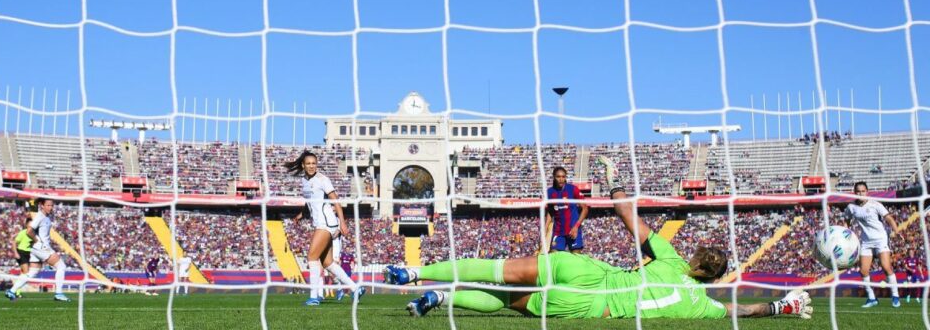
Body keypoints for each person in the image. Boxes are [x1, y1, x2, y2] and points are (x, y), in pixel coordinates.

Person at [383, 157, 812, 320]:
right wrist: (780, 306)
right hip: (594, 307)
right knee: (503, 299)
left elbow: (627, 215)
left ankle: (417, 273)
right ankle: (439, 295)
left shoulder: (670, 257)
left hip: (591, 272)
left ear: (697, 257)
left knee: (499, 270)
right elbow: (743, 310)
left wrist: (613, 183)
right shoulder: (703, 306)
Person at [285, 150, 365, 306]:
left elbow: (336, 201)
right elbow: (310, 203)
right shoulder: (304, 182)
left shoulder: (323, 180)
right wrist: (300, 216)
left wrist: (342, 222)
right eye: (308, 163)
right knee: (327, 263)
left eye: (314, 163)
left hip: (327, 223)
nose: (311, 166)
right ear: (303, 165)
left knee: (312, 258)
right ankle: (355, 289)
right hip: (319, 223)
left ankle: (314, 296)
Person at [843, 182, 900, 308]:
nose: (861, 193)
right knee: (863, 271)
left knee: (886, 267)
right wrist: (845, 234)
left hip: (880, 239)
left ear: (867, 191)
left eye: (863, 191)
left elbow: (889, 218)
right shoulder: (851, 207)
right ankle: (872, 298)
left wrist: (896, 231)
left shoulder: (875, 204)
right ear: (855, 192)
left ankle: (895, 296)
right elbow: (846, 221)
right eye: (858, 191)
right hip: (866, 241)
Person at [6, 198, 70, 302]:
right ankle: (58, 293)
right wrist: (37, 240)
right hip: (41, 247)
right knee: (61, 266)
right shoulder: (40, 216)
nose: (50, 207)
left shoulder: (45, 217)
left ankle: (12, 291)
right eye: (48, 205)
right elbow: (29, 231)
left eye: (52, 205)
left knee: (33, 272)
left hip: (37, 248)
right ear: (42, 206)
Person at [542, 167, 588, 253]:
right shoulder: (549, 192)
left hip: (573, 230)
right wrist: (544, 229)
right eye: (558, 177)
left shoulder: (572, 189)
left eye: (563, 177)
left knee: (576, 258)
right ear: (554, 177)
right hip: (558, 232)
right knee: (554, 257)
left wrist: (576, 226)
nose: (561, 179)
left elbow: (585, 209)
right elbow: (550, 212)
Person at [12, 216, 38, 299]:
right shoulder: (23, 233)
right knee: (26, 273)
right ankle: (14, 291)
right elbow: (14, 242)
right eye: (29, 225)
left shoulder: (34, 234)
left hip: (29, 254)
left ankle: (17, 292)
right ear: (26, 225)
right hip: (21, 252)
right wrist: (16, 253)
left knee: (24, 273)